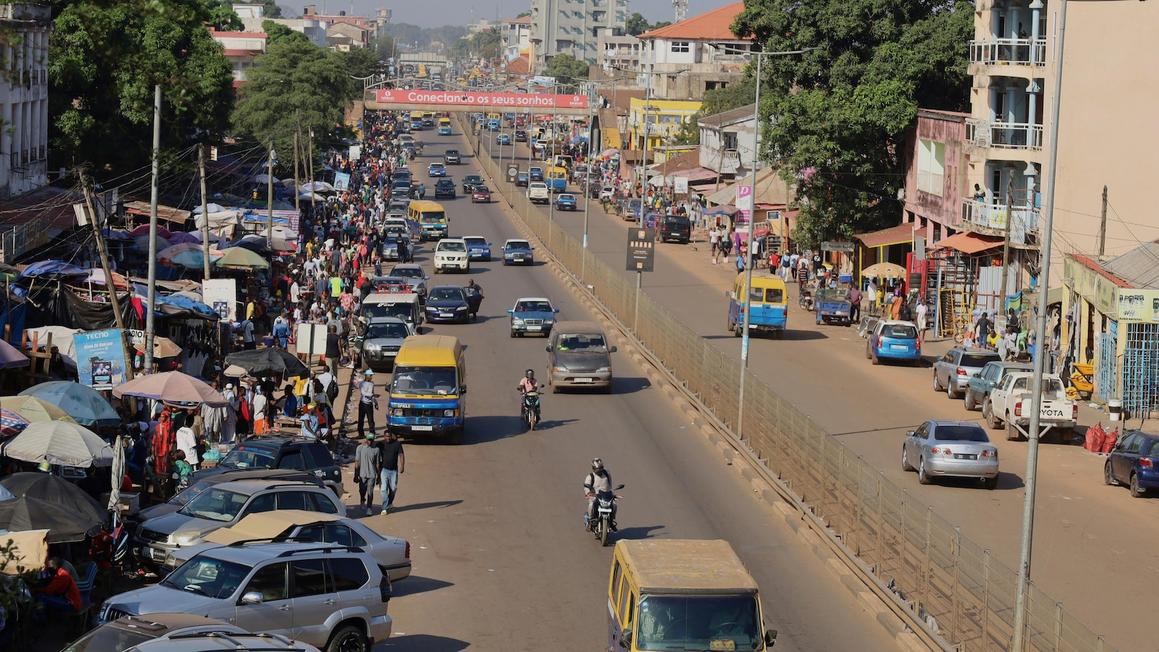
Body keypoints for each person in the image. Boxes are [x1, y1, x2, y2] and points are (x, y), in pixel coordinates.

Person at [583, 458, 616, 531]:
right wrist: (589, 494)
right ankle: (590, 522)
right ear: (593, 468)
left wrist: (612, 492)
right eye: (597, 469)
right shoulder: (590, 477)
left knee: (614, 504)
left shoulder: (607, 473)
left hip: (606, 496)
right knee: (591, 505)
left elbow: (610, 484)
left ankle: (611, 522)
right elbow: (586, 487)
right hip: (595, 496)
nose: (599, 470)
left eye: (601, 468)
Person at [378, 430, 405, 512]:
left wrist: (402, 466)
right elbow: (372, 446)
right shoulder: (381, 444)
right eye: (386, 436)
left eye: (389, 436)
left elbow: (401, 455)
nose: (388, 438)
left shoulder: (397, 444)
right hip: (384, 470)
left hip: (393, 471)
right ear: (384, 436)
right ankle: (384, 507)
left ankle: (389, 503)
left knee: (393, 489)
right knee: (383, 490)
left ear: (391, 436)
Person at [354, 434, 379, 511]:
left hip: (372, 474)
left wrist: (379, 475)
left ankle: (369, 507)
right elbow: (357, 462)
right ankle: (362, 499)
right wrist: (356, 475)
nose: (370, 442)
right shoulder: (360, 448)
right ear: (365, 439)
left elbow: (377, 463)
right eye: (368, 440)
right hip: (362, 475)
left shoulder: (376, 450)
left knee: (370, 492)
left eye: (371, 440)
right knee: (362, 490)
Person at [358, 369, 377, 438]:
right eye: (370, 375)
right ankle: (361, 434)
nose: (371, 377)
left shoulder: (372, 383)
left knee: (371, 420)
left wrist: (375, 402)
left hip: (369, 404)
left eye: (371, 375)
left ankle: (372, 434)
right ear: (366, 376)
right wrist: (372, 395)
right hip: (363, 403)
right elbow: (363, 393)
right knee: (361, 419)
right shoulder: (362, 383)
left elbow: (372, 393)